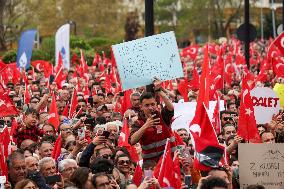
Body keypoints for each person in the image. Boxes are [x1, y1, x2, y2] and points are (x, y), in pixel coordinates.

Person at [130, 78, 176, 162]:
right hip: (150, 165)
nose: (150, 107)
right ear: (141, 107)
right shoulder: (138, 122)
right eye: (147, 105)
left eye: (152, 104)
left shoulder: (162, 116)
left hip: (169, 161)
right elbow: (132, 141)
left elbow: (171, 108)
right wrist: (146, 126)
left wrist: (159, 91)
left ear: (156, 104)